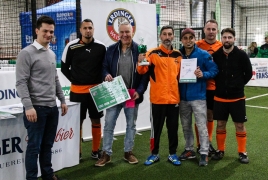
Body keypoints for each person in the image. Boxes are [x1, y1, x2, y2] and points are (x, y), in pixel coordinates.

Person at [16, 15, 68, 180]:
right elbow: (21, 83)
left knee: (47, 146)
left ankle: (47, 175)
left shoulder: (51, 54)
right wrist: (29, 107)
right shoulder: (26, 53)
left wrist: (62, 100)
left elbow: (55, 79)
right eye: (45, 31)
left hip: (52, 108)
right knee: (34, 148)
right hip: (36, 109)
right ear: (37, 31)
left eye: (51, 31)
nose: (48, 34)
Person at [95, 21, 149, 167]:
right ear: (118, 34)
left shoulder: (140, 50)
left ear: (132, 32)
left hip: (131, 94)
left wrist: (139, 91)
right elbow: (104, 67)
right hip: (114, 93)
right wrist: (106, 75)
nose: (125, 35)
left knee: (131, 125)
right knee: (108, 124)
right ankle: (106, 154)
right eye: (122, 32)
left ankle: (128, 152)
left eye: (127, 32)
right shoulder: (111, 50)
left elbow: (145, 74)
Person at [61, 19, 106, 160]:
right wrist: (76, 80)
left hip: (96, 92)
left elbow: (105, 68)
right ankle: (77, 153)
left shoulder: (101, 47)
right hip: (77, 92)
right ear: (80, 30)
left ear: (93, 29)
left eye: (90, 28)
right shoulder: (71, 47)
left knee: (96, 121)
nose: (88, 30)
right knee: (77, 123)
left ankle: (95, 151)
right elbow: (64, 68)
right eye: (85, 28)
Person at [137, 25, 182, 166]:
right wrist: (140, 60)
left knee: (173, 128)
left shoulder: (178, 55)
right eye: (164, 34)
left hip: (174, 99)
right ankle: (154, 154)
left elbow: (181, 76)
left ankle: (172, 153)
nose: (167, 37)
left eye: (170, 34)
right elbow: (142, 71)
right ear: (160, 36)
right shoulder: (152, 53)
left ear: (173, 37)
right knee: (156, 128)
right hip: (158, 99)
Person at [211, 28, 252, 164]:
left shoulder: (242, 55)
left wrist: (238, 85)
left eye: (229, 37)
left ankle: (242, 152)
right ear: (221, 39)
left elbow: (248, 73)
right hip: (220, 97)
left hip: (237, 98)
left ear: (234, 39)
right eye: (224, 37)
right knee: (220, 124)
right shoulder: (216, 55)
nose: (227, 40)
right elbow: (213, 73)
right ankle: (220, 150)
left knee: (239, 125)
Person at [178, 28, 218, 166]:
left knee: (201, 125)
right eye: (185, 38)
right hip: (182, 98)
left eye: (191, 37)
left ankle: (204, 152)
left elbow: (214, 70)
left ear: (195, 38)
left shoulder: (203, 54)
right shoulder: (177, 55)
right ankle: (189, 149)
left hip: (198, 97)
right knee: (185, 125)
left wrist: (203, 75)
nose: (188, 40)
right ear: (181, 40)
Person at [195, 19, 222, 156]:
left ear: (217, 31)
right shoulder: (196, 45)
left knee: (210, 115)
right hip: (198, 87)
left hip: (213, 88)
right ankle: (200, 143)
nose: (211, 32)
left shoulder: (221, 46)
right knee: (199, 117)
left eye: (213, 29)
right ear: (204, 30)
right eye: (208, 29)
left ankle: (209, 141)